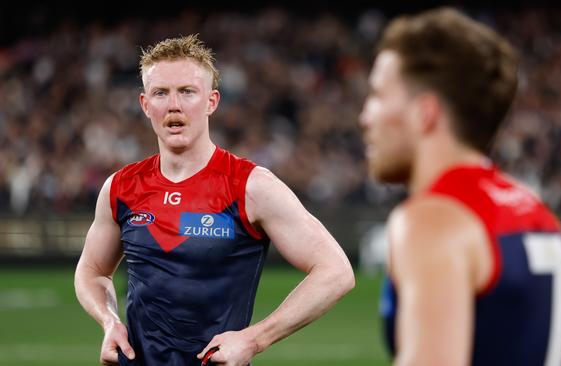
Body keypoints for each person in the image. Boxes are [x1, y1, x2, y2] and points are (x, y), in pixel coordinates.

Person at [359, 7, 561, 366]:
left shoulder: (432, 219)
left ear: (424, 113)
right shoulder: (534, 214)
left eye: (378, 95)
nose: (365, 116)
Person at [74, 34, 355, 366]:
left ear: (212, 101)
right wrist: (109, 322)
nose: (174, 105)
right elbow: (92, 271)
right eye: (161, 93)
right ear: (145, 104)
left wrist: (255, 338)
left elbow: (336, 272)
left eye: (187, 92)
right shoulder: (121, 187)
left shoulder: (250, 186)